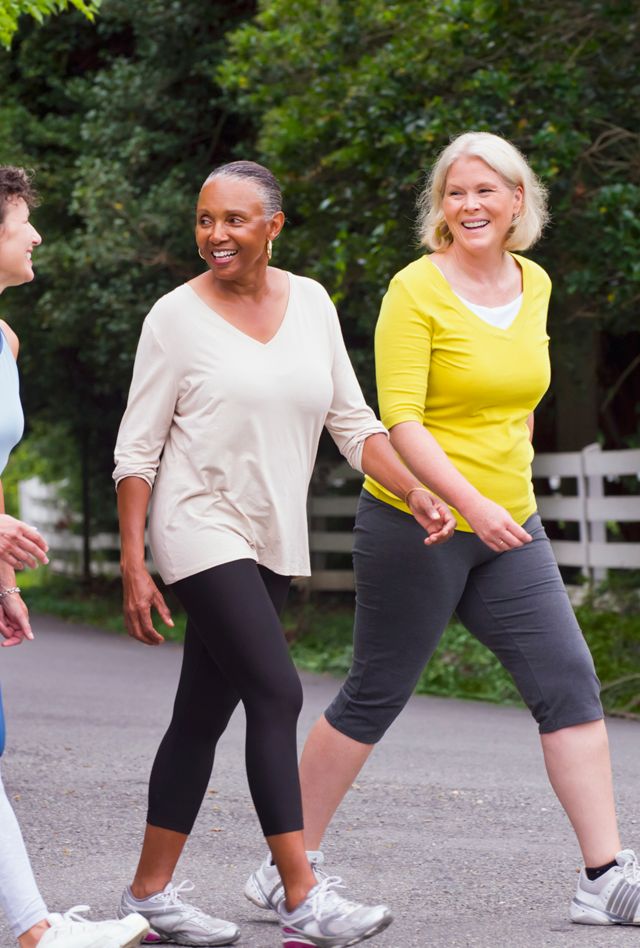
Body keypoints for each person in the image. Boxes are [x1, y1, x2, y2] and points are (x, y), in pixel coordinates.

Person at [246, 132, 640, 929]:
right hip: (416, 524)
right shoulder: (413, 291)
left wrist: (508, 486)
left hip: (508, 525)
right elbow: (404, 422)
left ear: (518, 201)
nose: (470, 206)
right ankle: (286, 867)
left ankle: (604, 876)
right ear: (440, 206)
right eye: (455, 193)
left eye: (486, 191)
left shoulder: (535, 284)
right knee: (375, 692)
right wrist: (471, 503)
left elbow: (519, 394)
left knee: (568, 681)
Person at [112, 159, 455, 948]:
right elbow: (138, 450)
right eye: (204, 219)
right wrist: (136, 560)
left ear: (274, 225)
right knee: (276, 693)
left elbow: (354, 422)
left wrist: (416, 489)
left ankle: (148, 893)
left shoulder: (312, 303)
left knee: (200, 714)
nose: (215, 235)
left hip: (270, 532)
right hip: (197, 524)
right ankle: (301, 894)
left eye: (234, 219)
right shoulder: (174, 316)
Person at [0, 165, 150, 948]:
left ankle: (33, 928)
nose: (36, 235)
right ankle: (35, 931)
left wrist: (3, 577)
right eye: (22, 220)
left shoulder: (5, 340)